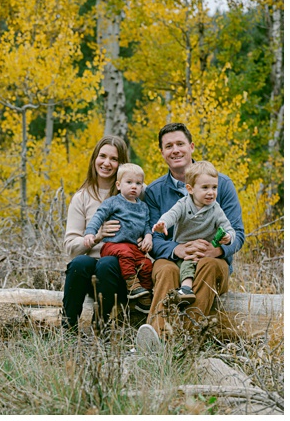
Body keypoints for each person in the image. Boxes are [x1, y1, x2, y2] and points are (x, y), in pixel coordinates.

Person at [141, 123, 244, 344]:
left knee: (207, 265)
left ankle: (186, 341)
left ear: (191, 147)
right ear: (162, 152)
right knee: (166, 269)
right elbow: (155, 236)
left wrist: (216, 249)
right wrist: (177, 249)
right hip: (172, 259)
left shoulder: (220, 184)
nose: (175, 150)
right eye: (169, 146)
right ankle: (154, 339)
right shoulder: (155, 191)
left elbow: (238, 234)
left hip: (212, 261)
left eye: (180, 144)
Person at [61, 136, 130, 331]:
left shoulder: (134, 191)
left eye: (114, 159)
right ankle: (68, 329)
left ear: (121, 164)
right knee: (79, 262)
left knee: (108, 263)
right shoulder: (82, 197)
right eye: (102, 156)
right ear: (94, 159)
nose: (107, 163)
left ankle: (101, 329)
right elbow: (71, 248)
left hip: (120, 274)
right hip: (90, 276)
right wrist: (97, 236)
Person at [151, 160, 236, 306]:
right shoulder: (183, 204)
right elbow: (171, 215)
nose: (211, 192)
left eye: (214, 187)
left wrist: (227, 238)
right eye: (205, 188)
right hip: (184, 251)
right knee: (185, 264)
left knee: (201, 264)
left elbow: (229, 228)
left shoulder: (216, 209)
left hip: (205, 253)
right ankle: (185, 290)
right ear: (190, 189)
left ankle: (186, 293)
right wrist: (163, 223)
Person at [82, 163, 154, 304]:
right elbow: (98, 216)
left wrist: (148, 236)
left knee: (146, 265)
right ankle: (131, 284)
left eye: (138, 183)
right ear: (119, 185)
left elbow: (146, 225)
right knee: (125, 253)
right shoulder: (113, 202)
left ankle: (144, 298)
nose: (134, 186)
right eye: (129, 182)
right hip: (113, 245)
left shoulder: (143, 207)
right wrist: (90, 233)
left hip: (134, 247)